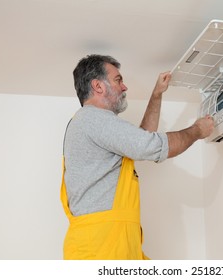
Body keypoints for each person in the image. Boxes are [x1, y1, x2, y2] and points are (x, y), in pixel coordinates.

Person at [60, 54, 214, 260]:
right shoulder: (93, 118)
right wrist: (197, 130)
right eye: (118, 80)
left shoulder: (93, 124)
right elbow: (149, 146)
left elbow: (141, 140)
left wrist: (157, 94)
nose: (124, 87)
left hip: (111, 241)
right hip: (101, 246)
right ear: (98, 86)